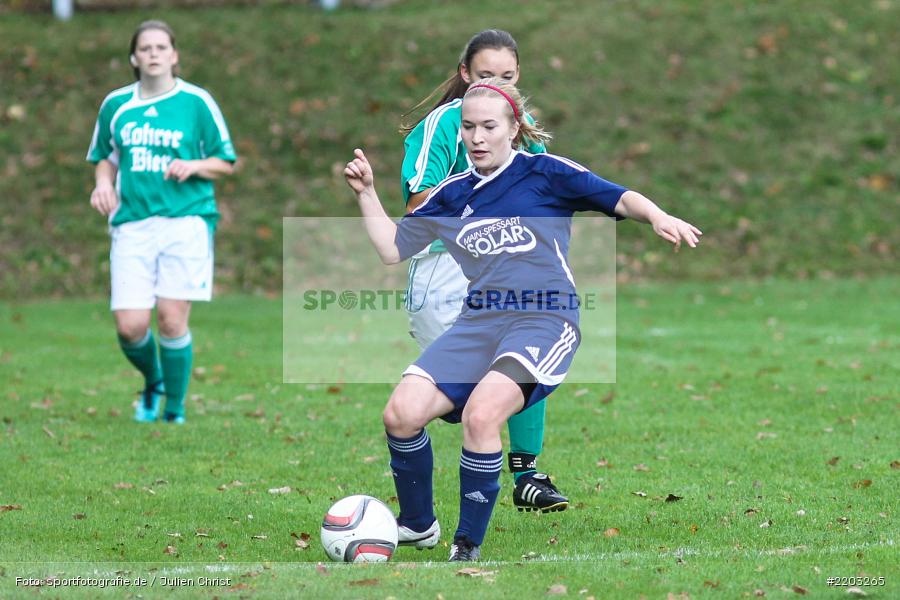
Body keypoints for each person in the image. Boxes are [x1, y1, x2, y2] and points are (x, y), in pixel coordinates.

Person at [345, 78, 701, 561]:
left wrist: (658, 216)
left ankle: (465, 548)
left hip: (544, 321)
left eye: (489, 126)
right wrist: (367, 193)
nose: (477, 137)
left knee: (481, 415)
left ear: (513, 129)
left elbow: (619, 197)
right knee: (401, 414)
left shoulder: (545, 173)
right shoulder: (452, 194)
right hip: (478, 324)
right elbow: (392, 249)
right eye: (469, 127)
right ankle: (418, 525)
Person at [400, 29, 568, 513]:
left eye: (508, 77)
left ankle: (527, 474)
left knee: (525, 353)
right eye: (485, 75)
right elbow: (417, 202)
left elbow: (544, 192)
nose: (496, 85)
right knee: (458, 395)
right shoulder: (442, 124)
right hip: (442, 267)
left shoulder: (520, 124)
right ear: (464, 76)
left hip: (505, 263)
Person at [86, 20, 236, 424]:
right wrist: (103, 183)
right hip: (132, 223)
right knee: (130, 327)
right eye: (145, 48)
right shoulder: (116, 104)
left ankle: (174, 409)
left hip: (185, 221)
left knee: (171, 319)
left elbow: (225, 162)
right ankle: (154, 382)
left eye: (161, 47)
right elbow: (105, 156)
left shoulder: (197, 102)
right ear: (134, 57)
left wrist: (195, 164)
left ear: (174, 55)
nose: (153, 53)